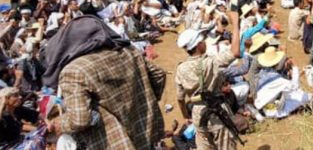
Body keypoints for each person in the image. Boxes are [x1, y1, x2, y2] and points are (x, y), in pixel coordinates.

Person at [44, 15, 166, 149]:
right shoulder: (127, 50)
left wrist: (58, 124)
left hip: (114, 143)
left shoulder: (73, 70)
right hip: (145, 129)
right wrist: (146, 101)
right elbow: (158, 75)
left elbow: (80, 119)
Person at [175, 9, 241, 150]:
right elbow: (235, 52)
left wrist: (186, 117)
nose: (205, 42)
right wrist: (236, 24)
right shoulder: (211, 62)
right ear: (198, 45)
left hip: (198, 114)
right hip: (216, 113)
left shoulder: (181, 68)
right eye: (202, 41)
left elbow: (180, 98)